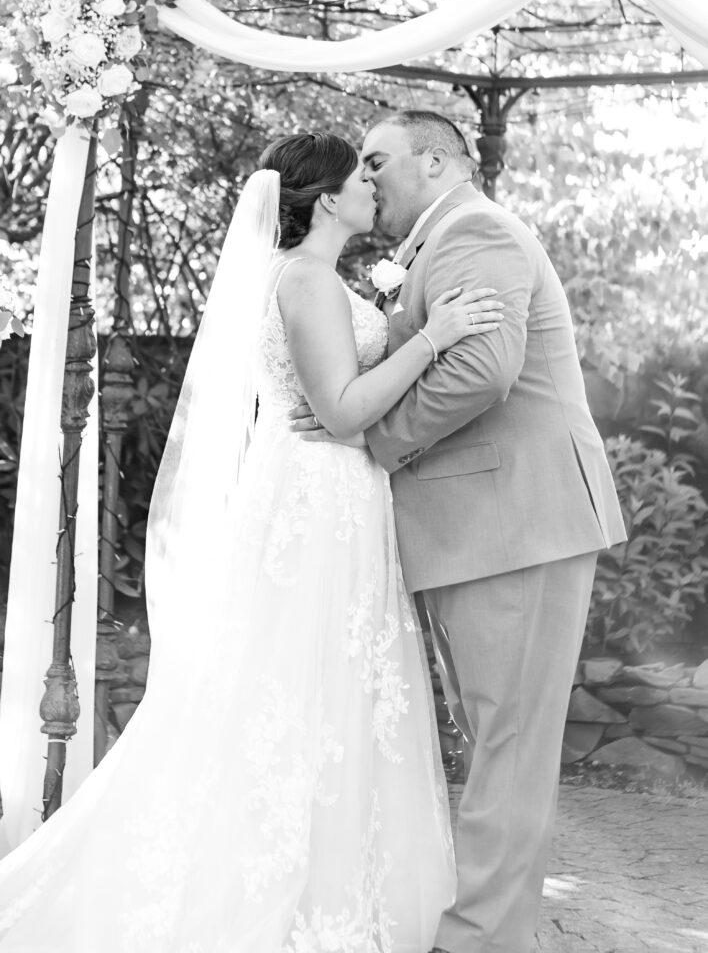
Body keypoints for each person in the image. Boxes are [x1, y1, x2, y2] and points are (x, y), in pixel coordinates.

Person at [0, 132, 505, 952]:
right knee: (296, 693)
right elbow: (341, 410)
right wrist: (432, 336)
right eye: (360, 177)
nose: (372, 188)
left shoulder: (319, 278)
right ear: (327, 199)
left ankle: (331, 882)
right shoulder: (305, 280)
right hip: (316, 500)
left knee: (325, 695)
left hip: (335, 496)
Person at [291, 111, 627, 953]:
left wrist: (375, 440)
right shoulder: (436, 246)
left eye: (379, 162)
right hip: (481, 528)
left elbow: (483, 368)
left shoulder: (477, 232)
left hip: (513, 524)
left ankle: (477, 941)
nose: (367, 180)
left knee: (506, 752)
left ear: (435, 161)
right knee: (495, 749)